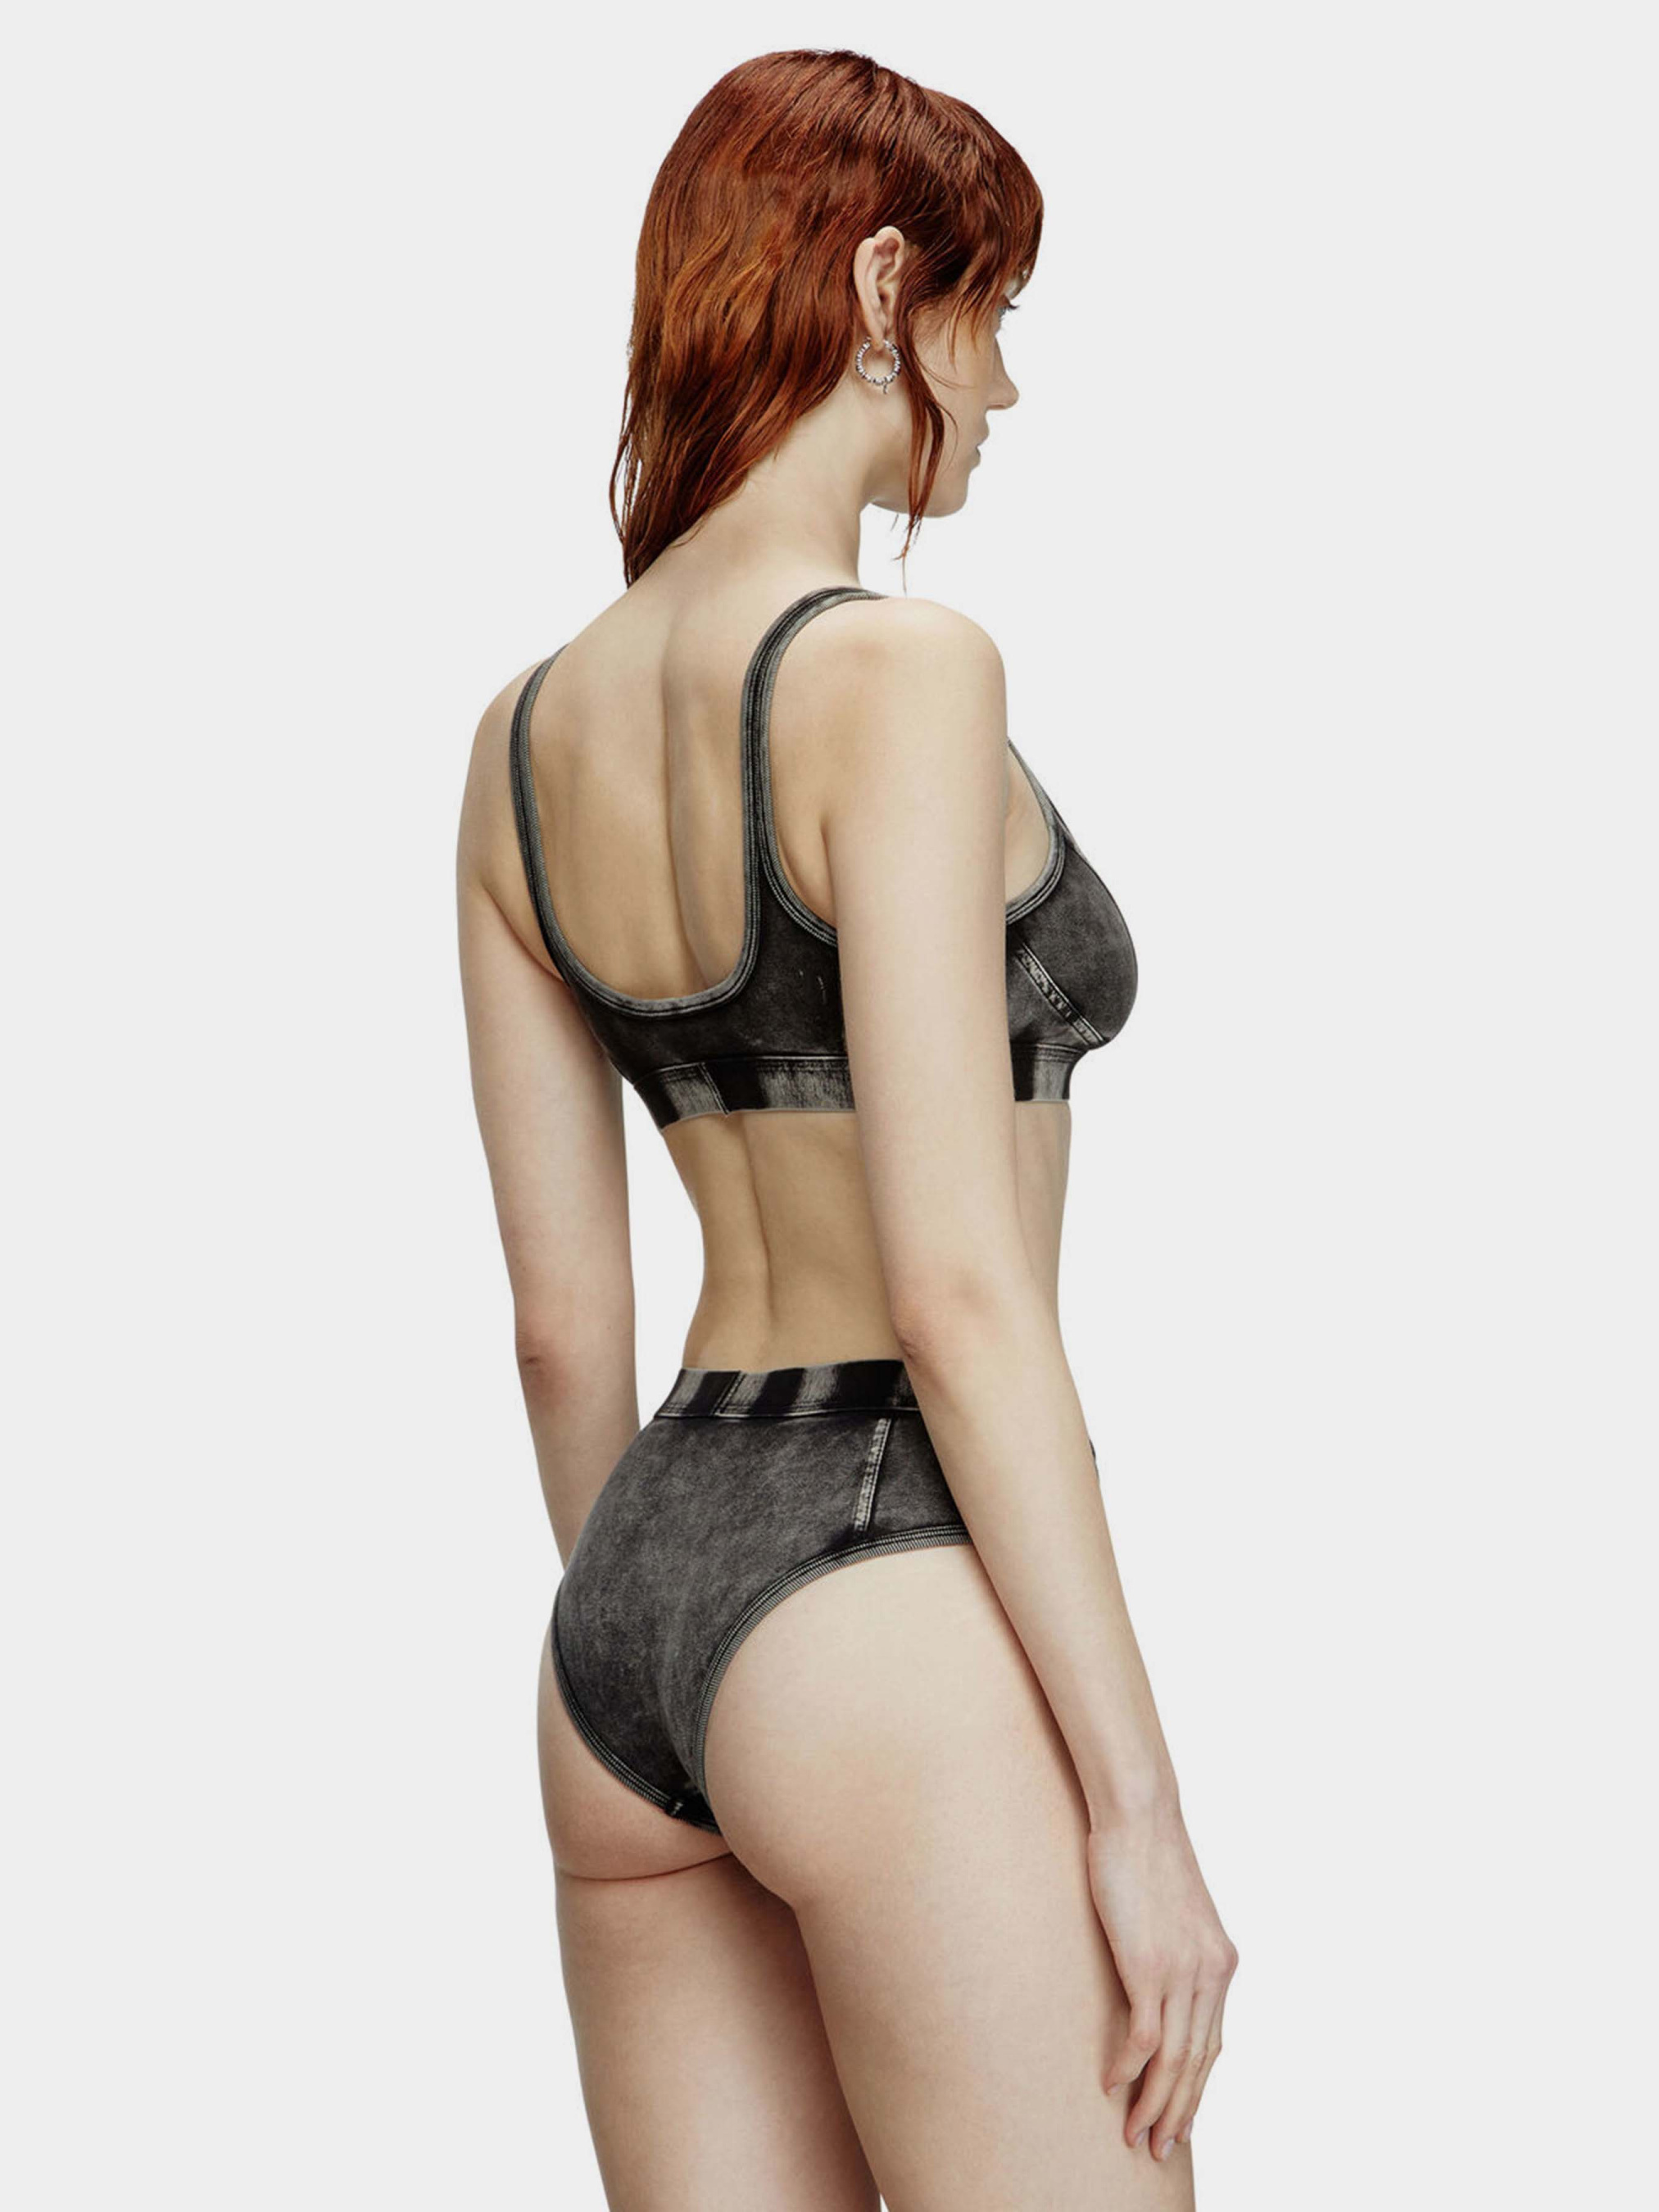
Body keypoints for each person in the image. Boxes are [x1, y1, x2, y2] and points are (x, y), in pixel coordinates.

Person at [457, 47, 1237, 2211]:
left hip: (631, 1622)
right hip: (884, 1553)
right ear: (887, 285)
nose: (1005, 386)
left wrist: (681, 1649)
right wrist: (1138, 1810)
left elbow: (555, 1320)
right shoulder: (900, 674)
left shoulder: (516, 744)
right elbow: (957, 1293)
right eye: (994, 315)